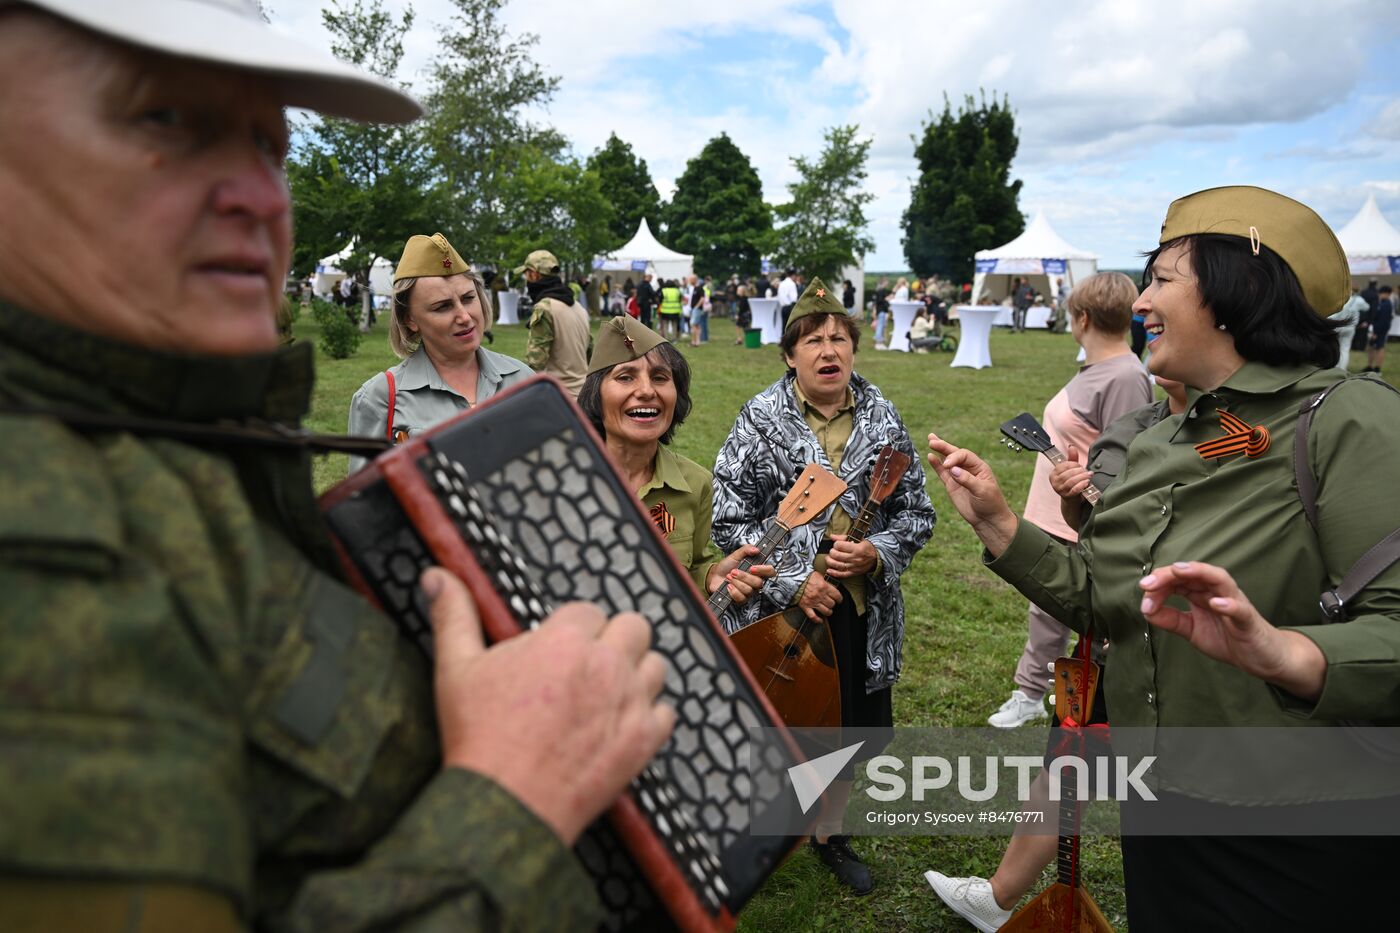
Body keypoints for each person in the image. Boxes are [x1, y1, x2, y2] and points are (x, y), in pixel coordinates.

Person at [0, 2, 675, 930]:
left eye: (270, 145)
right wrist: (514, 796)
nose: (262, 196)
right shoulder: (44, 537)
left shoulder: (187, 440)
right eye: (166, 118)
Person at [927, 186, 1399, 931]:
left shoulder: (1348, 418)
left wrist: (1286, 651)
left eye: (1162, 278)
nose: (1140, 299)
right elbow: (1103, 599)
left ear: (1236, 290)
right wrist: (999, 523)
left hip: (1308, 822)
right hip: (1165, 805)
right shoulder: (1160, 441)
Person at [926, 372, 1188, 932]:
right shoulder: (1136, 429)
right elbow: (1100, 548)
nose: (1146, 305)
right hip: (1115, 650)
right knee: (1065, 767)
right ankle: (998, 897)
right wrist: (1070, 505)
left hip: (1196, 682)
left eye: (1164, 281)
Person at [713, 277, 936, 894]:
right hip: (782, 614)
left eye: (839, 337)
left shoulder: (883, 418)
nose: (828, 349)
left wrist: (876, 551)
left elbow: (916, 513)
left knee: (850, 729)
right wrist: (793, 581)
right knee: (784, 724)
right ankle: (760, 824)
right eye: (812, 339)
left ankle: (828, 833)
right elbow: (728, 523)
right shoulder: (759, 420)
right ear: (790, 354)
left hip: (860, 608)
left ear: (854, 350)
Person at [988, 272, 1152, 729]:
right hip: (1053, 514)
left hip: (1079, 522)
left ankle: (1052, 705)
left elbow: (1124, 464)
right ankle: (1041, 697)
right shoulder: (1102, 368)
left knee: (1075, 625)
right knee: (1046, 617)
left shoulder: (1124, 375)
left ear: (1081, 317)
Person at [580, 316, 775, 602]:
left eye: (660, 377)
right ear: (596, 394)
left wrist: (709, 576)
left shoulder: (696, 484)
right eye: (625, 377)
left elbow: (693, 566)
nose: (647, 391)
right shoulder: (558, 478)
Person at [347, 234, 531, 472]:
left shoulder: (523, 379)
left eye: (468, 298)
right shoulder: (379, 399)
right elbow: (367, 502)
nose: (464, 317)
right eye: (442, 306)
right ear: (410, 319)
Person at [518, 248, 592, 397]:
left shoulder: (545, 308)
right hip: (584, 397)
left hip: (559, 399)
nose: (526, 279)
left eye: (527, 274)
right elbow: (590, 352)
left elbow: (535, 362)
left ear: (534, 274)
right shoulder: (579, 308)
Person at [1335, 285, 1369, 370]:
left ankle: (1335, 367)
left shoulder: (1341, 298)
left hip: (1338, 325)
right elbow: (1367, 307)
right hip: (1350, 327)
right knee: (1345, 349)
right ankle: (1342, 369)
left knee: (1335, 347)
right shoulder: (1359, 300)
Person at [1364, 284, 1392, 372]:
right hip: (1376, 328)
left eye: (1381, 293)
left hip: (1380, 330)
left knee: (1380, 347)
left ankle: (1377, 368)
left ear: (1387, 294)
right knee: (1371, 347)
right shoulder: (1382, 303)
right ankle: (1370, 366)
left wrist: (1376, 332)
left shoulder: (1386, 304)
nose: (1380, 295)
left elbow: (1383, 320)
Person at [777, 267, 800, 331]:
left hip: (783, 308)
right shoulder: (792, 284)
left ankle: (783, 340)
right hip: (790, 308)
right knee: (791, 327)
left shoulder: (781, 283)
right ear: (793, 275)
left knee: (784, 327)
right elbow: (794, 298)